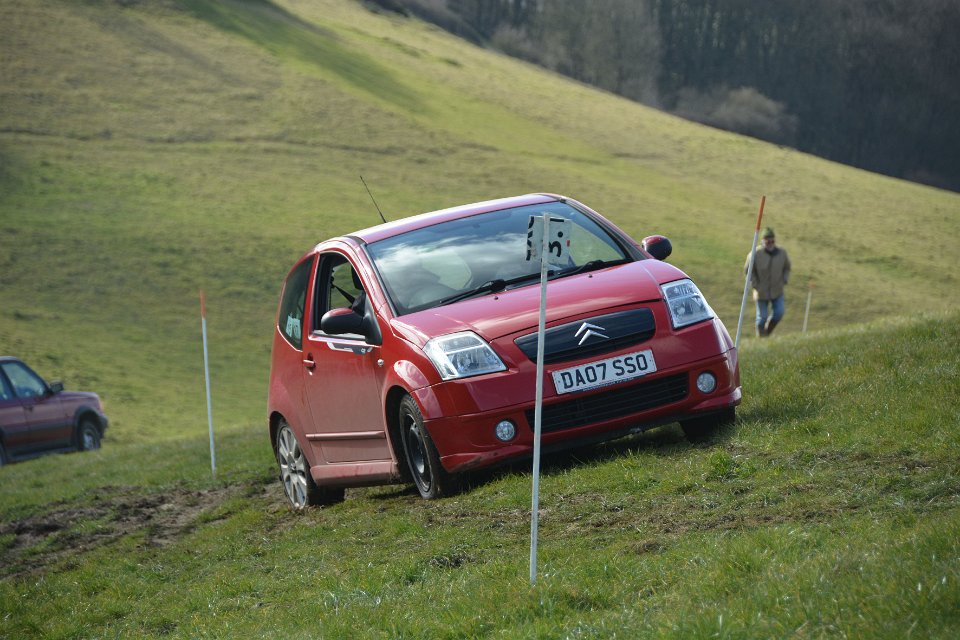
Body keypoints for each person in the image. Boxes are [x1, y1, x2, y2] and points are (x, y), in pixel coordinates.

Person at [745, 227, 791, 337]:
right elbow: (748, 271)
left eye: (772, 241)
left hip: (777, 290)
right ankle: (761, 337)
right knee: (762, 318)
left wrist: (785, 279)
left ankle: (766, 334)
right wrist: (755, 284)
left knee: (779, 313)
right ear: (762, 241)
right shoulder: (755, 254)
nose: (770, 243)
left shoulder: (782, 253)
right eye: (768, 241)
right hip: (761, 292)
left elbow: (787, 267)